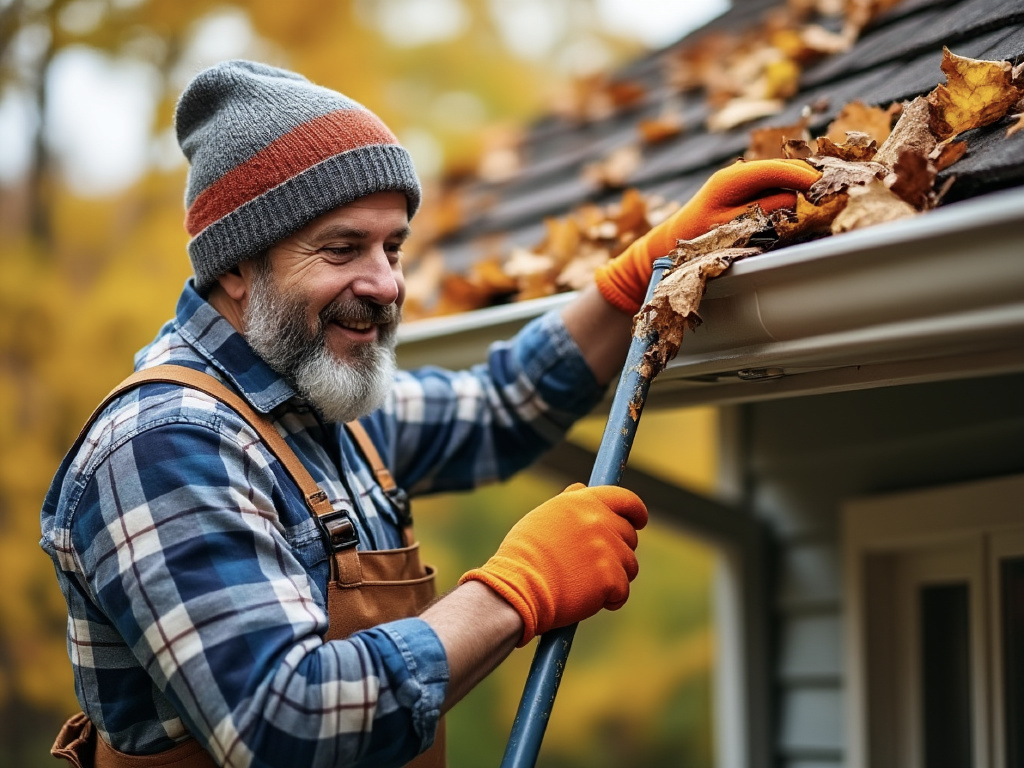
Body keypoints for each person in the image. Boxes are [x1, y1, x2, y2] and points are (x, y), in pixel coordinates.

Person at [40, 60, 819, 768]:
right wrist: (514, 594)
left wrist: (636, 280)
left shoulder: (322, 403)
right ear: (238, 268)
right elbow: (286, 723)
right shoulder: (166, 445)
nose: (384, 284)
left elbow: (497, 408)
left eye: (394, 248)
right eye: (342, 250)